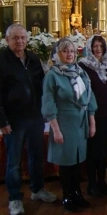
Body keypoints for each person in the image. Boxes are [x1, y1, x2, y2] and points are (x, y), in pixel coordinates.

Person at [0, 24, 57, 215]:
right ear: (7, 40)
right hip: (13, 120)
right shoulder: (2, 60)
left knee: (36, 156)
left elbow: (43, 87)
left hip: (35, 116)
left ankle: (37, 189)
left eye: (23, 38)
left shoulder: (33, 59)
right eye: (15, 38)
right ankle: (15, 198)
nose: (20, 41)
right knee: (14, 162)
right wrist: (3, 121)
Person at [42, 38, 97, 213]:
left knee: (77, 161)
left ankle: (77, 194)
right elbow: (48, 104)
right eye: (65, 51)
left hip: (80, 123)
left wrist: (92, 121)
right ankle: (67, 196)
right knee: (66, 163)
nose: (69, 54)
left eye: (72, 51)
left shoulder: (80, 72)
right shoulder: (53, 75)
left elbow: (89, 98)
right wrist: (56, 130)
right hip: (63, 123)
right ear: (58, 54)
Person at [79, 35, 107, 196]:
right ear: (89, 48)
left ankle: (101, 181)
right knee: (92, 151)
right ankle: (92, 183)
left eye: (100, 46)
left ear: (104, 48)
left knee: (104, 150)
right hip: (89, 116)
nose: (97, 49)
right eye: (94, 46)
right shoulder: (83, 67)